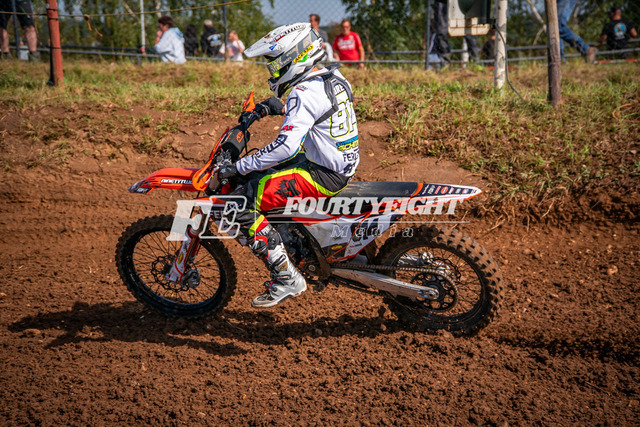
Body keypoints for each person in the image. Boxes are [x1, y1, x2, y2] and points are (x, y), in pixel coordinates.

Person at [212, 23, 359, 308]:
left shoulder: (303, 92)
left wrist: (239, 167)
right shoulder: (335, 76)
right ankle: (291, 239)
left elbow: (284, 147)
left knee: (238, 205)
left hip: (321, 173)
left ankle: (286, 277)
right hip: (334, 163)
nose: (274, 71)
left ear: (296, 56)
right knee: (260, 177)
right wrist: (279, 108)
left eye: (277, 64)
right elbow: (321, 112)